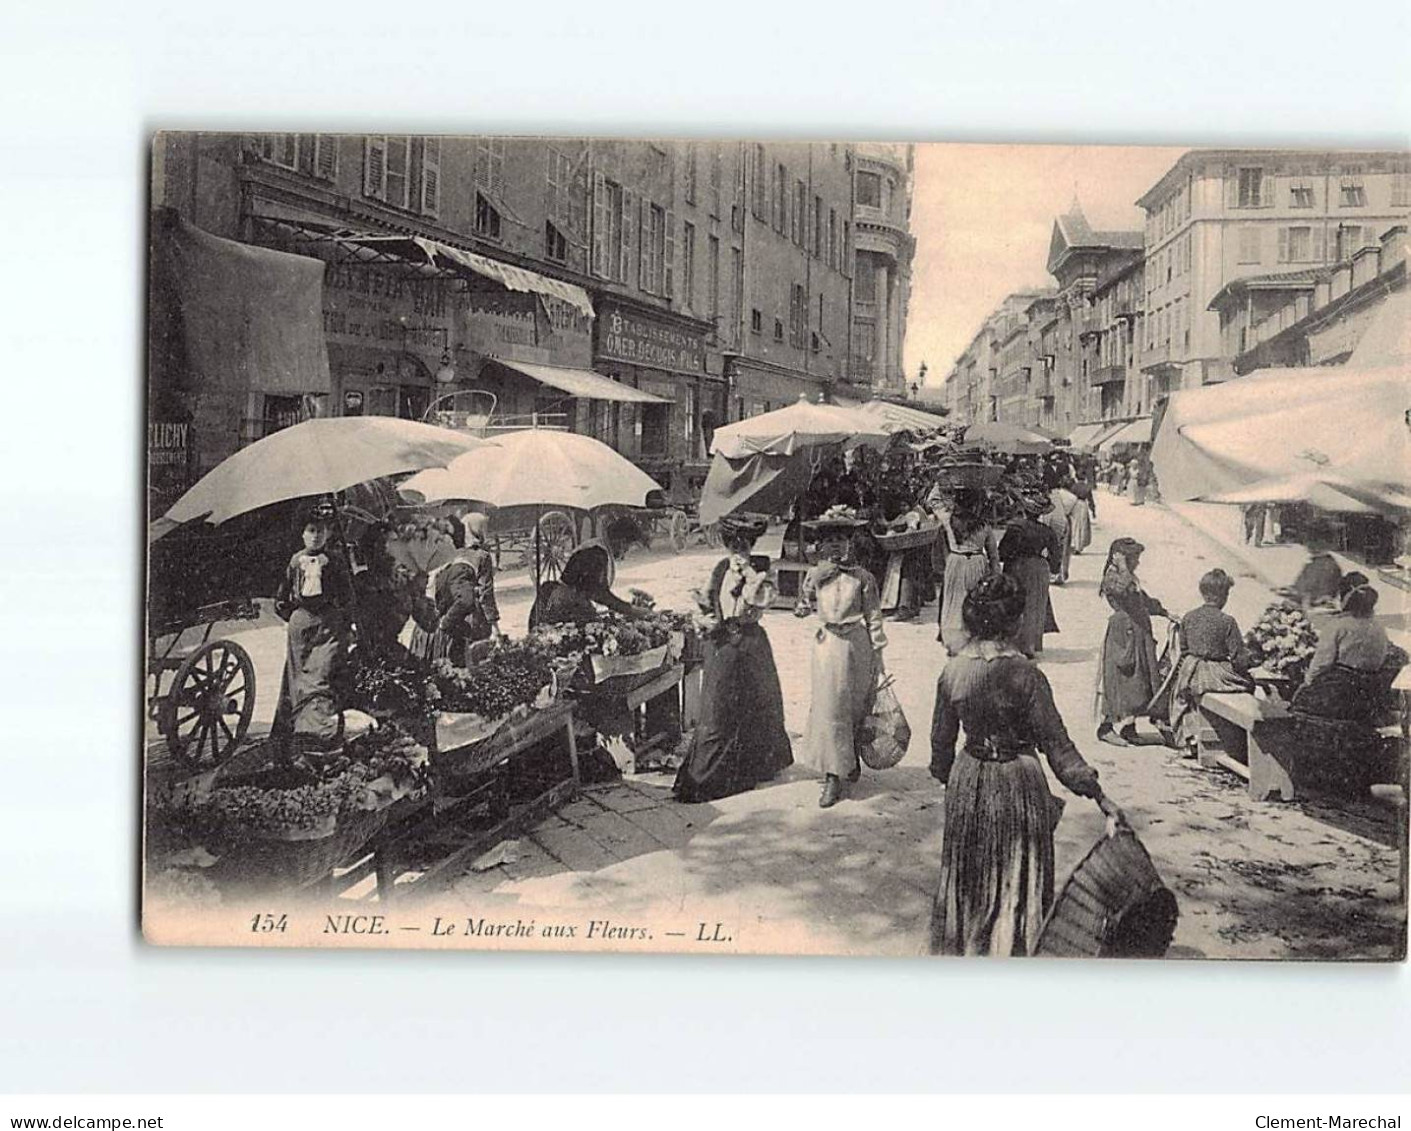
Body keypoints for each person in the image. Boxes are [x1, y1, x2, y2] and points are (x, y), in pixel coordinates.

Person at [929, 573, 1125, 956]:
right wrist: (1100, 797)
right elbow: (1059, 749)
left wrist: (956, 782)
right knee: (1017, 873)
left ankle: (966, 947)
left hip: (968, 778)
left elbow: (940, 748)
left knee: (970, 871)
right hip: (1019, 781)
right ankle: (1012, 949)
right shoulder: (1027, 676)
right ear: (1015, 623)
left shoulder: (952, 672)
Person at [673, 515, 793, 802]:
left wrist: (750, 574)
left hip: (751, 640)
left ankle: (760, 764)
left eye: (744, 544)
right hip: (722, 641)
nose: (739, 549)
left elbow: (763, 600)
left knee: (760, 701)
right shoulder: (719, 568)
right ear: (727, 544)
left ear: (751, 544)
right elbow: (706, 600)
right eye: (734, 544)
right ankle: (706, 775)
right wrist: (705, 618)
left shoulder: (761, 569)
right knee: (717, 706)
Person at [795, 516, 888, 808]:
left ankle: (851, 759)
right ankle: (833, 774)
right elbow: (804, 603)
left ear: (849, 543)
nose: (836, 545)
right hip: (827, 646)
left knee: (856, 704)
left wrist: (878, 652)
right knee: (829, 706)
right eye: (830, 540)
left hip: (856, 645)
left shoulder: (863, 578)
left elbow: (873, 616)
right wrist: (802, 606)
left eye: (841, 539)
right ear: (821, 545)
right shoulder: (815, 575)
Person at [272, 504, 356, 750]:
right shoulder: (295, 561)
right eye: (311, 530)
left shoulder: (334, 560)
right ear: (303, 534)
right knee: (298, 678)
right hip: (300, 627)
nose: (316, 535)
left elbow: (347, 595)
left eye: (321, 531)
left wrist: (343, 620)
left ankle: (320, 729)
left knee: (321, 674)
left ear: (328, 534)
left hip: (328, 626)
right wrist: (293, 616)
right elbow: (281, 595)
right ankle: (298, 731)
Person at [1150, 568, 1253, 756]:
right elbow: (1238, 658)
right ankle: (1233, 741)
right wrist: (1250, 664)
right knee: (1248, 686)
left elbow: (1183, 648)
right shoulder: (1227, 621)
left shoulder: (1189, 617)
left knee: (1187, 694)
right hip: (1215, 673)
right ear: (1222, 596)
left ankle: (1190, 737)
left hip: (1190, 672)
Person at [1095, 537, 1173, 746]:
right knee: (1120, 680)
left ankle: (1129, 728)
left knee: (1139, 682)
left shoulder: (1129, 576)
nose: (1138, 562)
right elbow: (1121, 589)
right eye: (1134, 558)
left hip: (1138, 632)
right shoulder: (1113, 576)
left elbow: (1143, 600)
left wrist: (1164, 612)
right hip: (1123, 634)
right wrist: (1121, 565)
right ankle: (1106, 728)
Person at [1291, 578, 1400, 722]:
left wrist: (1307, 683)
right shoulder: (1378, 628)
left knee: (1300, 697)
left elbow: (1323, 662)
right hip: (1370, 689)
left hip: (1340, 688)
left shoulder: (1339, 626)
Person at [409, 512, 501, 666]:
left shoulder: (444, 556)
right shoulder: (482, 556)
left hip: (437, 626)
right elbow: (486, 595)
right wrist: (496, 627)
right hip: (468, 621)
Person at [351, 522, 438, 664]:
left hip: (395, 652)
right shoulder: (361, 583)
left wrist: (421, 593)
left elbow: (429, 624)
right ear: (370, 550)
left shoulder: (406, 582)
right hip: (367, 655)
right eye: (381, 543)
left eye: (394, 542)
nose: (388, 548)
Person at [998, 495, 1062, 658]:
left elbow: (1002, 552)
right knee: (1035, 605)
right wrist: (1052, 566)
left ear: (1025, 511)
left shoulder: (1015, 528)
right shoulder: (1046, 531)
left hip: (1016, 567)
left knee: (1014, 604)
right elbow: (1056, 555)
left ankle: (1013, 643)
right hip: (1038, 568)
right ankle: (1030, 645)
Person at [529, 541, 647, 628]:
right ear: (621, 542)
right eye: (626, 547)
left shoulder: (595, 546)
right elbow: (598, 593)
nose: (624, 553)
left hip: (554, 600)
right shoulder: (597, 553)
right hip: (560, 608)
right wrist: (629, 609)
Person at [939, 510, 992, 657]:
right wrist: (995, 572)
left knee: (953, 603)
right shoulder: (984, 524)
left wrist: (948, 563)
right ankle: (974, 640)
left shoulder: (948, 521)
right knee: (976, 602)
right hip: (977, 562)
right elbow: (992, 552)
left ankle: (953, 642)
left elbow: (942, 547)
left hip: (955, 560)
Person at [1042, 481, 1078, 584]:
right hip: (1065, 521)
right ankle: (1061, 574)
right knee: (1063, 550)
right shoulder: (1066, 495)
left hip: (1056, 523)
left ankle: (1054, 574)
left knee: (1054, 550)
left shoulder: (1052, 496)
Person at [1067, 475, 1094, 554]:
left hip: (1075, 503)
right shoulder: (1087, 487)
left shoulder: (1074, 486)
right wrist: (1093, 510)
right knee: (1083, 525)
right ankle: (1080, 546)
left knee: (1075, 525)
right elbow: (1090, 500)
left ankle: (1075, 545)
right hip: (1083, 504)